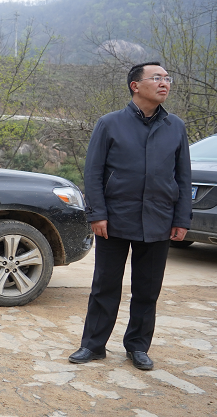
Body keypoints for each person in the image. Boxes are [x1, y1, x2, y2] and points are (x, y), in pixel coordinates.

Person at [69, 62, 191, 371]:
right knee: (105, 286)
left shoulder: (175, 126)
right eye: (156, 78)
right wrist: (96, 213)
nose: (164, 83)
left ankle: (137, 347)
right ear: (135, 85)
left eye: (167, 78)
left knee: (147, 289)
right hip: (114, 219)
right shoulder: (110, 124)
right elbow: (93, 172)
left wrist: (182, 219)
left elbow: (183, 177)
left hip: (159, 220)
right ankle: (93, 345)